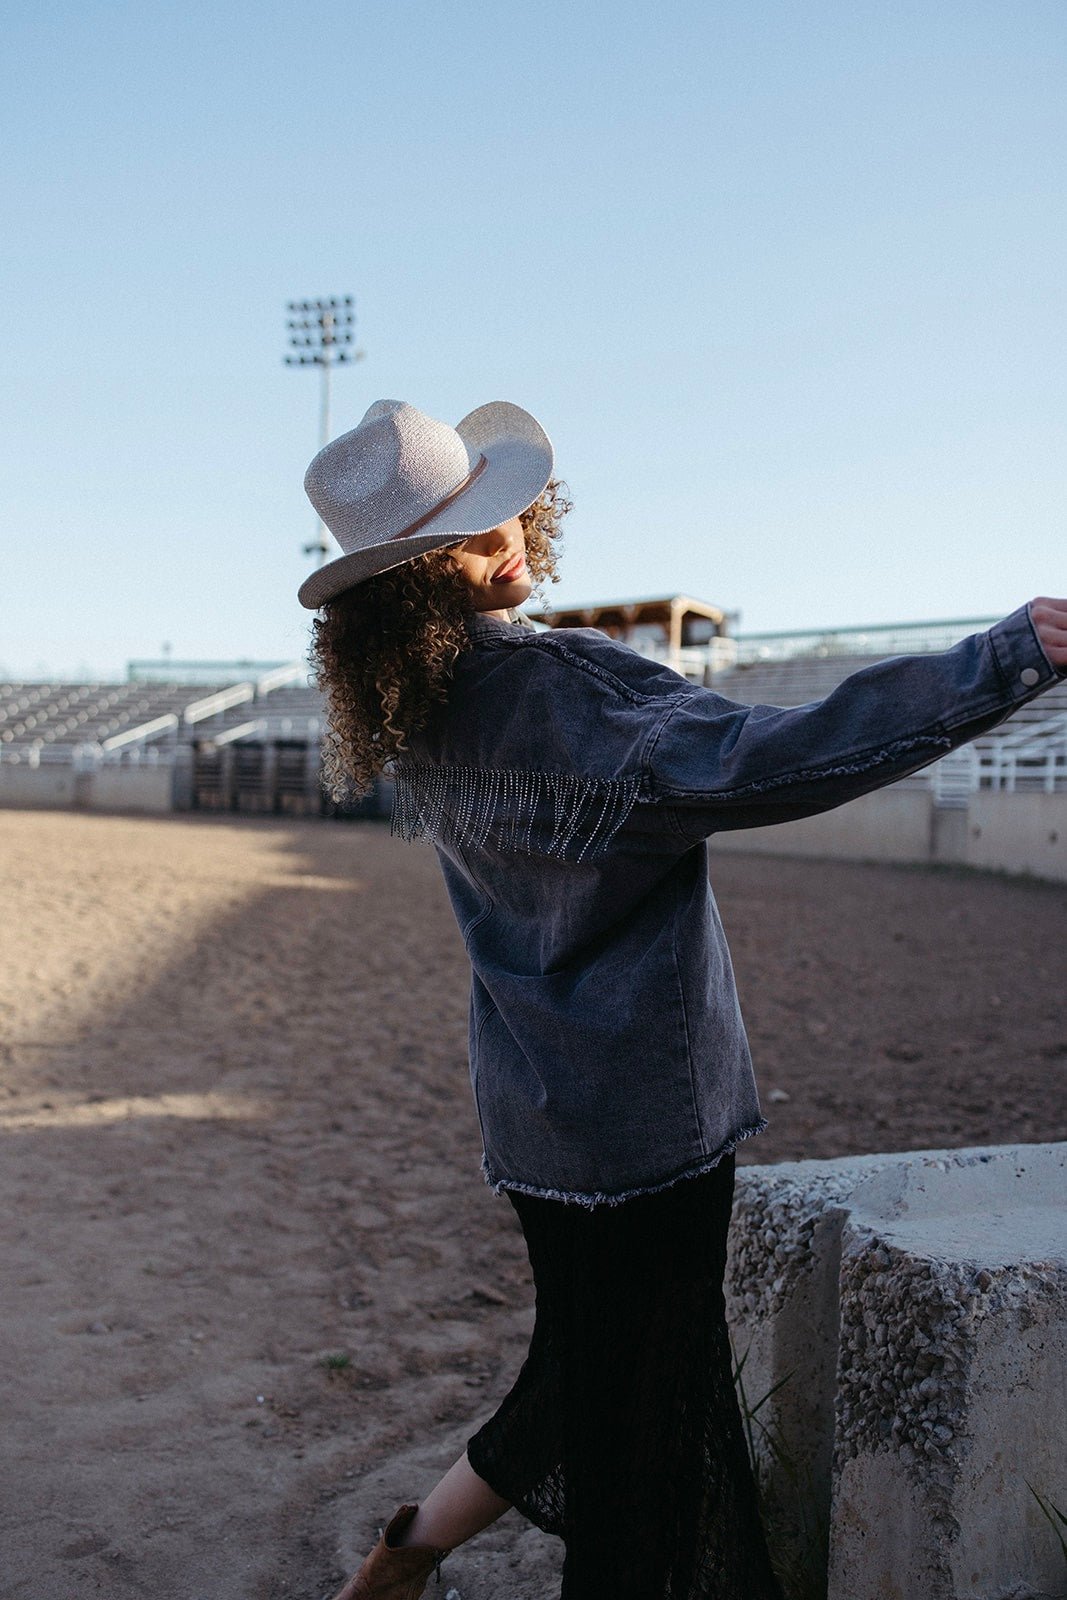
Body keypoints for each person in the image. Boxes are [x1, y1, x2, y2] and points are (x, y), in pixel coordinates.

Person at [297, 398, 1067, 1600]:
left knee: (585, 1370)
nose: (502, 532)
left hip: (530, 1116)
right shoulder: (573, 693)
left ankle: (402, 1558)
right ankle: (440, 1561)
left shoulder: (415, 715)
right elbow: (794, 752)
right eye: (463, 529)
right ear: (416, 578)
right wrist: (1004, 656)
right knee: (643, 1444)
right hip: (647, 1127)